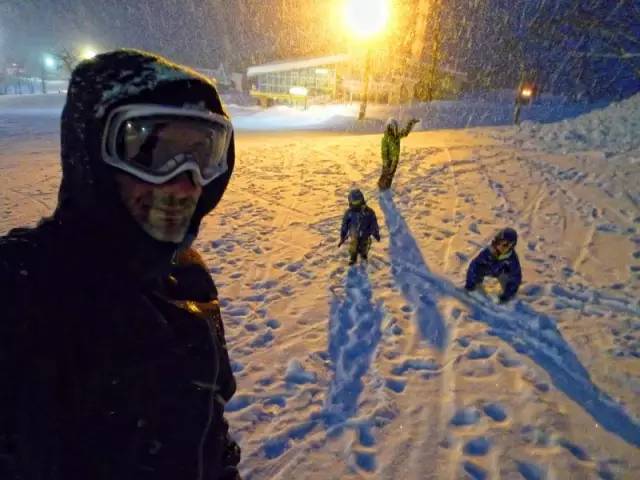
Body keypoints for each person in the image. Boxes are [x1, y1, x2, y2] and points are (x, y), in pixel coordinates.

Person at [0, 50, 241, 480]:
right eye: (150, 152)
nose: (185, 184)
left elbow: (211, 434)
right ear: (90, 154)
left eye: (202, 155)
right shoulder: (21, 294)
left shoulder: (189, 281)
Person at [464, 227, 522, 303]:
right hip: (488, 269)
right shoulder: (488, 252)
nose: (505, 247)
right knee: (478, 270)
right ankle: (476, 289)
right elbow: (474, 266)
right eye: (504, 244)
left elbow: (516, 277)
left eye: (509, 246)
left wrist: (507, 295)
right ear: (498, 241)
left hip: (501, 273)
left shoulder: (511, 259)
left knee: (510, 282)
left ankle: (507, 297)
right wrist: (470, 284)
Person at [338, 189, 381, 265]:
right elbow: (344, 224)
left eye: (358, 202)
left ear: (362, 200)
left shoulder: (369, 212)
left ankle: (363, 254)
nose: (357, 205)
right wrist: (343, 235)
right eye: (354, 203)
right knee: (353, 244)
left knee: (365, 244)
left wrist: (375, 232)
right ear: (350, 202)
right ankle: (353, 256)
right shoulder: (349, 213)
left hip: (365, 233)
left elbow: (373, 222)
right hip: (354, 233)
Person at [377, 117, 419, 191]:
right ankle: (381, 186)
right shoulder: (385, 138)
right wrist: (386, 162)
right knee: (385, 173)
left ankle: (387, 187)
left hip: (395, 159)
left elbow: (405, 133)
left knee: (391, 174)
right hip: (388, 160)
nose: (393, 130)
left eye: (394, 128)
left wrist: (410, 123)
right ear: (389, 127)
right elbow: (384, 152)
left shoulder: (396, 136)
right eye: (392, 128)